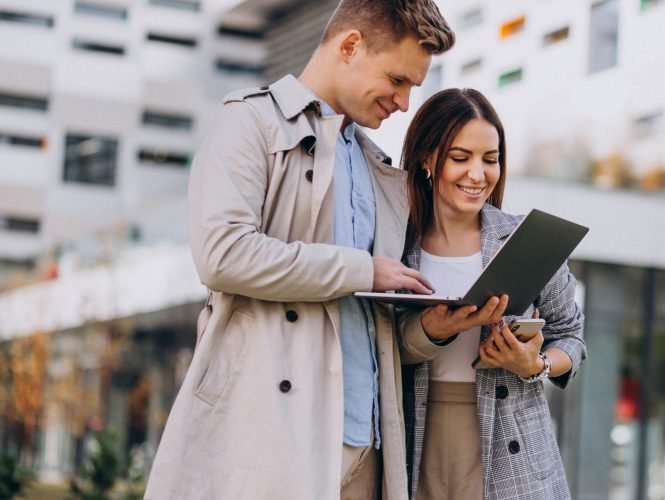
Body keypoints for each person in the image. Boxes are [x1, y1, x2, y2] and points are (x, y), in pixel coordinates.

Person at [145, 2, 482, 499]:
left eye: (413, 86)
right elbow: (222, 253)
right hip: (273, 439)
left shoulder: (375, 166)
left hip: (367, 446)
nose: (405, 103)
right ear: (349, 46)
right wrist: (361, 269)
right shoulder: (251, 121)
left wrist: (432, 331)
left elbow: (363, 324)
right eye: (397, 79)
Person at [395, 88, 587, 500]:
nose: (478, 175)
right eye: (460, 158)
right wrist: (431, 329)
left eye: (491, 159)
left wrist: (532, 364)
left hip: (511, 444)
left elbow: (571, 338)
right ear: (427, 159)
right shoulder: (394, 244)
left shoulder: (526, 240)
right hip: (415, 436)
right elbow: (376, 345)